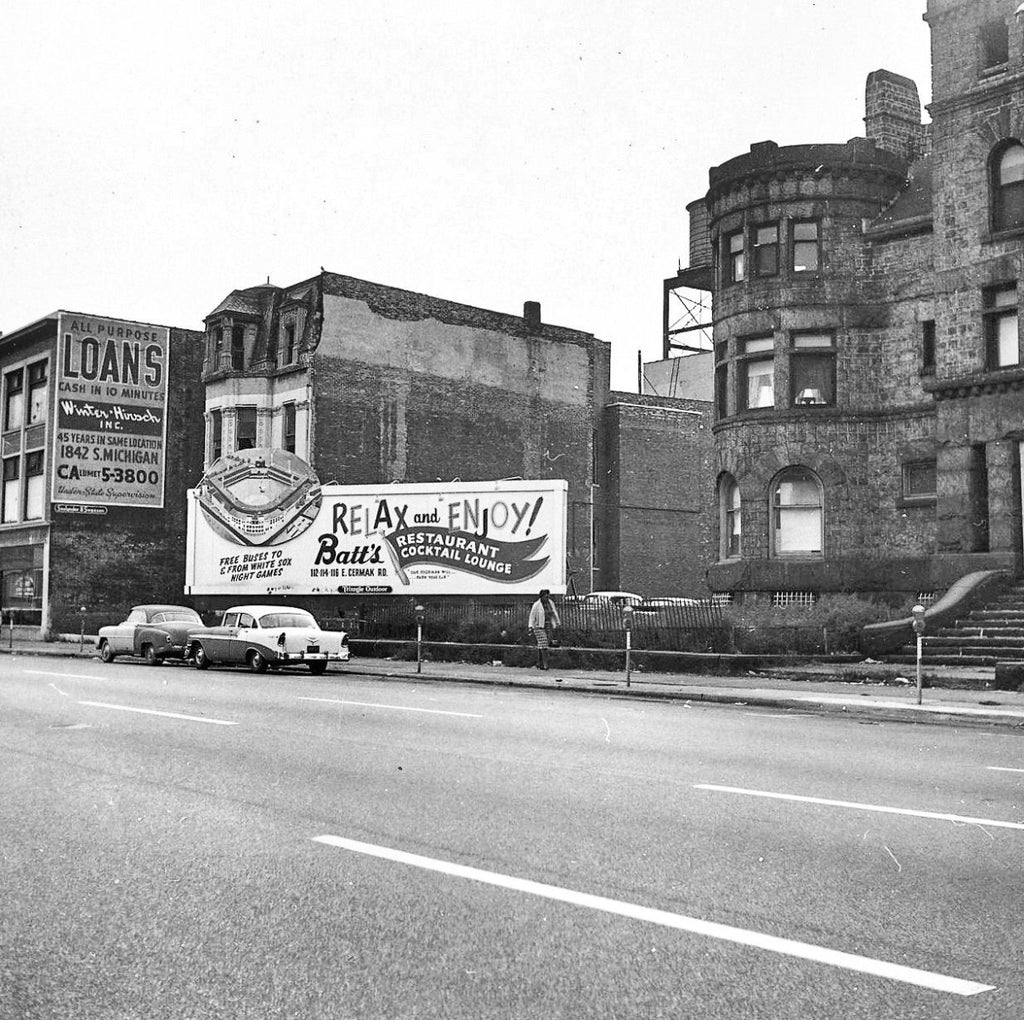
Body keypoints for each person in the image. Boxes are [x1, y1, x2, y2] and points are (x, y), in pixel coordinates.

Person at [528, 589, 560, 670]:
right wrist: (530, 626)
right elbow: (532, 616)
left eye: (548, 596)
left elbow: (554, 612)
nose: (547, 598)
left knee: (542, 645)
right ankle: (545, 664)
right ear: (541, 597)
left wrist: (557, 622)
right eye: (546, 596)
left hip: (548, 625)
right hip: (539, 626)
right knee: (544, 643)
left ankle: (539, 663)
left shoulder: (550, 603)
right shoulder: (536, 605)